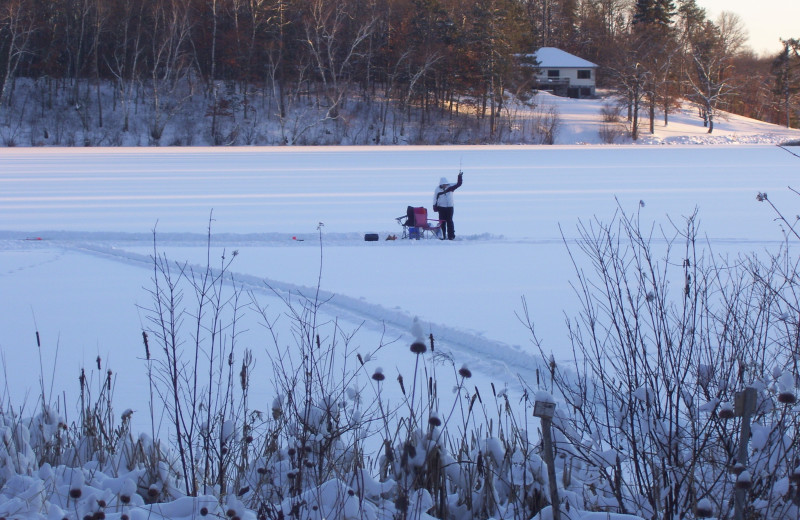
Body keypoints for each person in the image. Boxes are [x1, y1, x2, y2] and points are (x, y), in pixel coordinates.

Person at [432, 171, 463, 240]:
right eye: (444, 184)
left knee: (450, 221)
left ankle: (451, 236)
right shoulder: (437, 190)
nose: (445, 185)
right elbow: (435, 198)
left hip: (450, 207)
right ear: (441, 184)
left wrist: (459, 176)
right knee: (442, 222)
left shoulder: (451, 187)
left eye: (446, 184)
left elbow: (459, 184)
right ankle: (443, 236)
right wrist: (434, 206)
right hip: (441, 208)